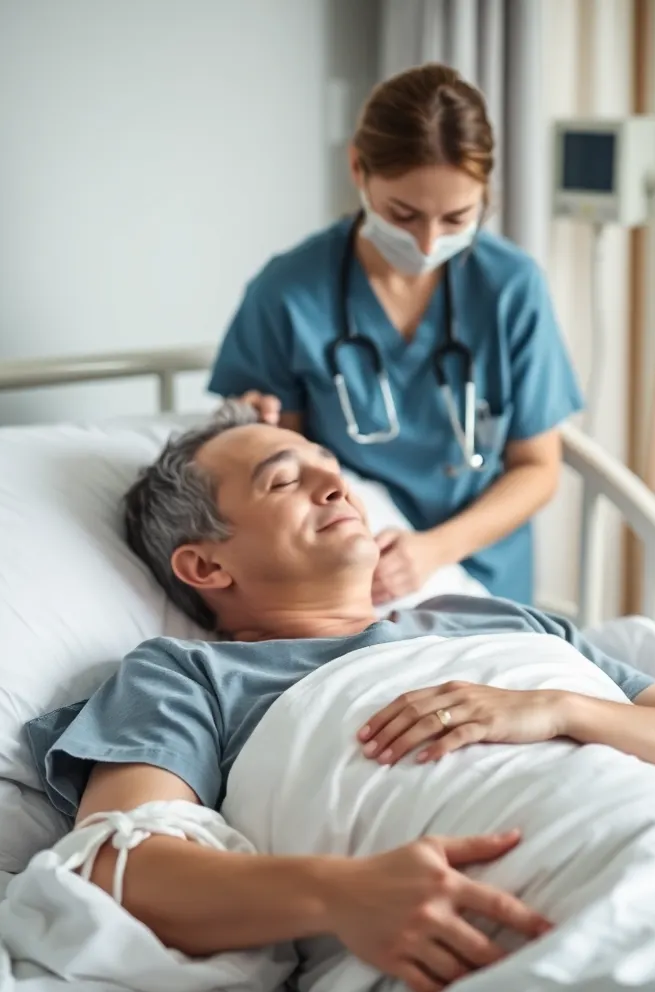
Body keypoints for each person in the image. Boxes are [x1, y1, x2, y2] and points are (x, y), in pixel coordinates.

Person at [25, 407, 655, 992]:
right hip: (531, 931)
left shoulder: (502, 623)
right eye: (284, 480)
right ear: (204, 563)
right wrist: (340, 895)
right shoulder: (190, 676)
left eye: (329, 465)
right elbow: (110, 870)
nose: (337, 485)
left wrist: (564, 709)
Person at [207, 62, 583, 607]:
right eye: (403, 214)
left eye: (456, 218)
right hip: (356, 583)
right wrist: (255, 428)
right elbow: (280, 463)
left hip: (487, 581)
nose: (428, 244)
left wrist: (433, 551)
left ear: (485, 193)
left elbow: (538, 468)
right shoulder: (287, 293)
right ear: (358, 168)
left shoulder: (510, 288)